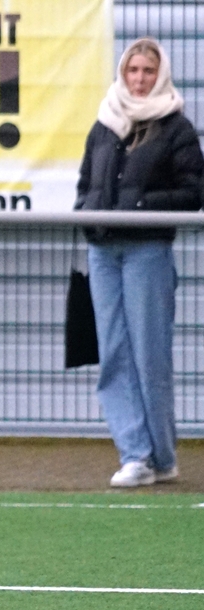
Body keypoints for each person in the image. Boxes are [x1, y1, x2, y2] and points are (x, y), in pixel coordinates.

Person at [75, 37, 203, 488]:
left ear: (160, 74)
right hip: (103, 252)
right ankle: (135, 454)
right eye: (133, 70)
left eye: (148, 71)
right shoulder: (104, 123)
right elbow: (85, 183)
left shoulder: (176, 129)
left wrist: (142, 206)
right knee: (113, 353)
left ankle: (162, 457)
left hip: (147, 250)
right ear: (122, 73)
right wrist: (88, 214)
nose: (140, 79)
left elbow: (194, 192)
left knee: (150, 355)